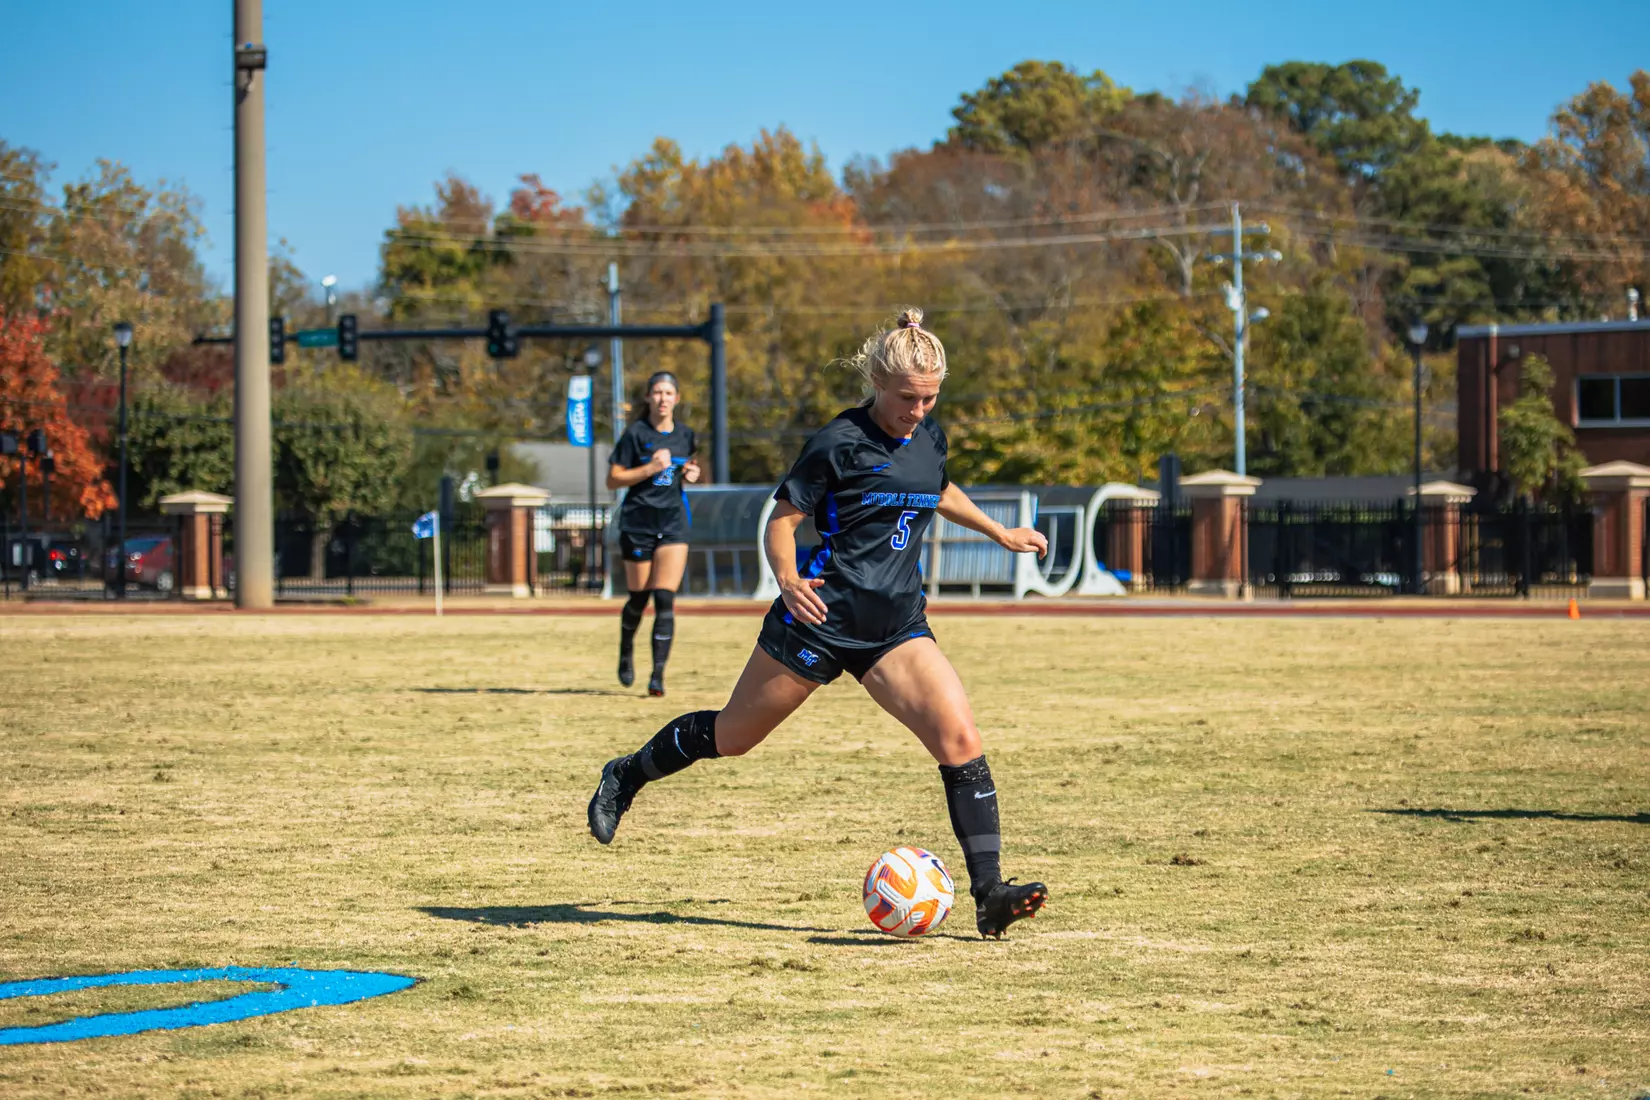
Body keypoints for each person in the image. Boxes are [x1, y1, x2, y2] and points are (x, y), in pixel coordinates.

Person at [588, 309, 1050, 939]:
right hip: (818, 619)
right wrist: (786, 579)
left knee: (960, 739)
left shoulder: (929, 436)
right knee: (732, 737)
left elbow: (937, 488)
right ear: (877, 384)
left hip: (895, 627)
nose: (917, 410)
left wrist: (1001, 532)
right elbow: (782, 519)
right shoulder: (837, 441)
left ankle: (990, 893)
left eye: (930, 398)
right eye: (907, 398)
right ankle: (627, 773)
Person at [607, 371, 701, 696]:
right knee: (639, 597)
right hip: (637, 524)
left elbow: (690, 467)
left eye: (668, 393)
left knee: (664, 598)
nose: (663, 398)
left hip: (673, 523)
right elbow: (613, 479)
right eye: (657, 392)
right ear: (648, 397)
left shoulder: (687, 435)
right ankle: (625, 650)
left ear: (677, 398)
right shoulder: (635, 434)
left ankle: (657, 676)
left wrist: (691, 474)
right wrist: (649, 469)